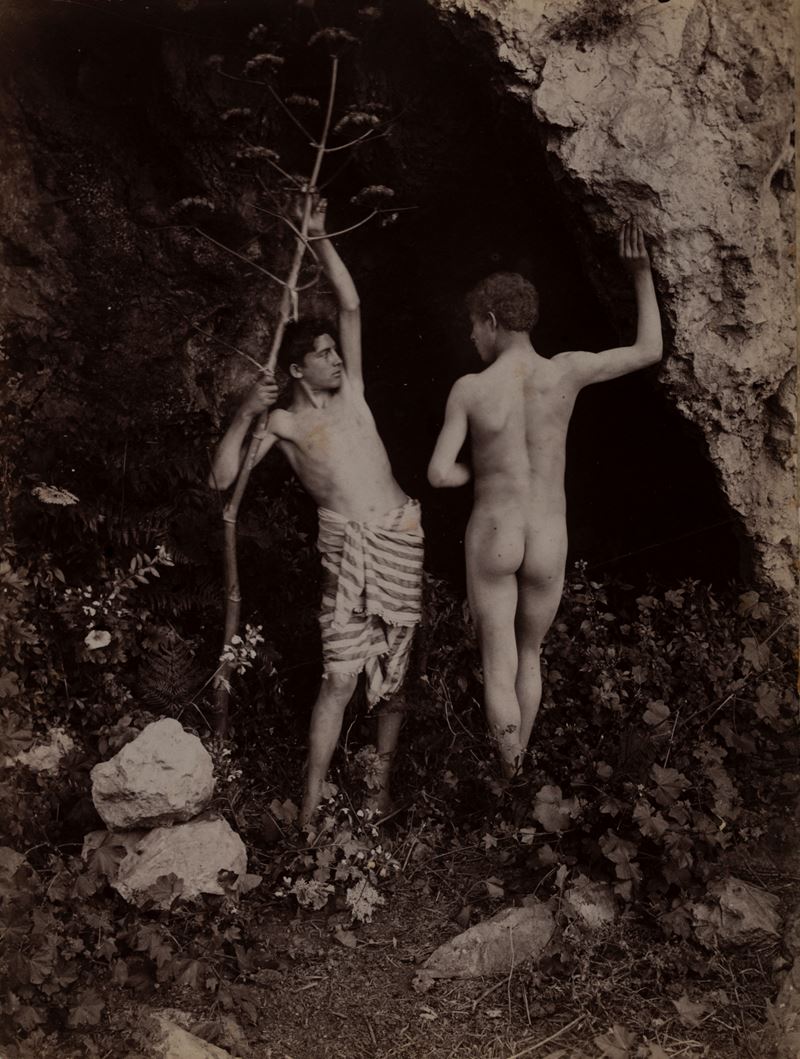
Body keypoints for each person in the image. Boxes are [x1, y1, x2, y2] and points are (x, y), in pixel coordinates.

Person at [209, 198, 424, 824]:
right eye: (323, 354)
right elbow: (222, 478)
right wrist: (247, 412)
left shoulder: (354, 392)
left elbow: (351, 305)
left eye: (335, 351)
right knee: (340, 676)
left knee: (395, 667)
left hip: (397, 536)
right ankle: (309, 806)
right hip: (346, 550)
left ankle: (378, 792)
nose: (335, 359)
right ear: (297, 369)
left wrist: (322, 236)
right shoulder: (282, 421)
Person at [427, 220, 662, 777]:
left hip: (495, 530)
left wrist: (478, 473)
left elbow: (437, 474)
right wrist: (640, 273)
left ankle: (506, 781)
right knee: (530, 654)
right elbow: (649, 349)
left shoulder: (471, 389)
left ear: (492, 321)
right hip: (548, 535)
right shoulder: (567, 371)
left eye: (473, 326)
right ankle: (521, 776)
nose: (472, 338)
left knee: (498, 664)